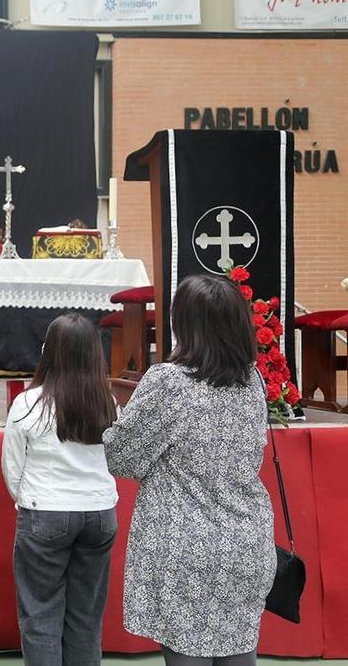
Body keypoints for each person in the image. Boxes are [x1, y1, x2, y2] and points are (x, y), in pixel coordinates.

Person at [104, 274, 275, 666]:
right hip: (247, 542)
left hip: (184, 547)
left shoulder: (169, 382)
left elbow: (122, 456)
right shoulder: (253, 381)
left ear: (185, 324)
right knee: (239, 651)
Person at [2, 314, 119, 666]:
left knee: (40, 616)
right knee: (86, 616)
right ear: (94, 354)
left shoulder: (29, 402)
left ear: (48, 353)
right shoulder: (108, 402)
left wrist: (27, 501)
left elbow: (12, 468)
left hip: (46, 511)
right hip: (99, 514)